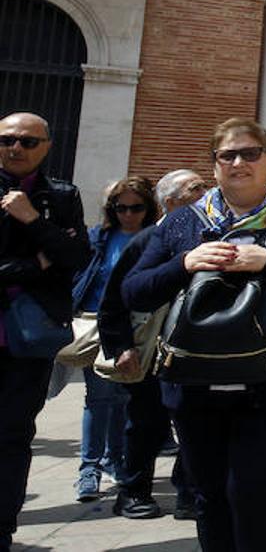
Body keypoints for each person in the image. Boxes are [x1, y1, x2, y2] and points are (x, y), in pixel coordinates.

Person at [123, 118, 266, 552]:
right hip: (193, 378)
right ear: (215, 166)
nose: (239, 162)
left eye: (250, 153)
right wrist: (185, 263)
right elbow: (134, 291)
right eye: (228, 155)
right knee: (209, 491)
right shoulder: (182, 223)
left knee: (253, 487)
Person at [0, 112, 91, 552]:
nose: (16, 148)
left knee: (14, 434)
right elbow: (56, 255)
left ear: (47, 147)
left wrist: (32, 219)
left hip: (30, 339)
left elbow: (76, 254)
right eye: (7, 140)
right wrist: (33, 264)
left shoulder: (62, 196)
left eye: (28, 142)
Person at [99, 168, 208, 520]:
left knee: (194, 425)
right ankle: (133, 491)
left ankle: (190, 493)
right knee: (146, 424)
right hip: (150, 352)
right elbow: (114, 300)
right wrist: (120, 347)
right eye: (196, 188)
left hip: (194, 351)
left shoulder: (208, 237)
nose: (205, 193)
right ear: (172, 201)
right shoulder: (146, 242)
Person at [72, 176, 159, 501]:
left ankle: (115, 460)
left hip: (140, 329)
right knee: (98, 399)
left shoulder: (154, 240)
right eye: (120, 208)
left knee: (126, 400)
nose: (128, 214)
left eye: (136, 207)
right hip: (99, 325)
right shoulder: (99, 238)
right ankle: (89, 470)